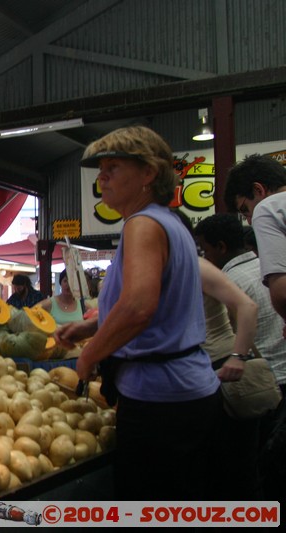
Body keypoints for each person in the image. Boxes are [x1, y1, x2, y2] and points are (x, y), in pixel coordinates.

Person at [54, 126, 222, 500]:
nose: (102, 177)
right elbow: (155, 303)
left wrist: (91, 354)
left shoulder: (142, 224)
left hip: (161, 401)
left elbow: (139, 307)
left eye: (113, 167)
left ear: (148, 173)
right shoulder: (169, 223)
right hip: (187, 392)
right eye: (101, 169)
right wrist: (92, 324)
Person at [194, 211, 286, 500]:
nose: (204, 255)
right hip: (270, 380)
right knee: (262, 462)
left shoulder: (223, 277)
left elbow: (242, 317)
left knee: (237, 464)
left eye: (206, 250)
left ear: (220, 247)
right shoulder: (269, 268)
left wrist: (237, 356)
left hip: (239, 380)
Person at [224, 154, 286, 329]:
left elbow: (281, 293)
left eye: (245, 209)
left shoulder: (268, 209)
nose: (249, 221)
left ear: (258, 190)